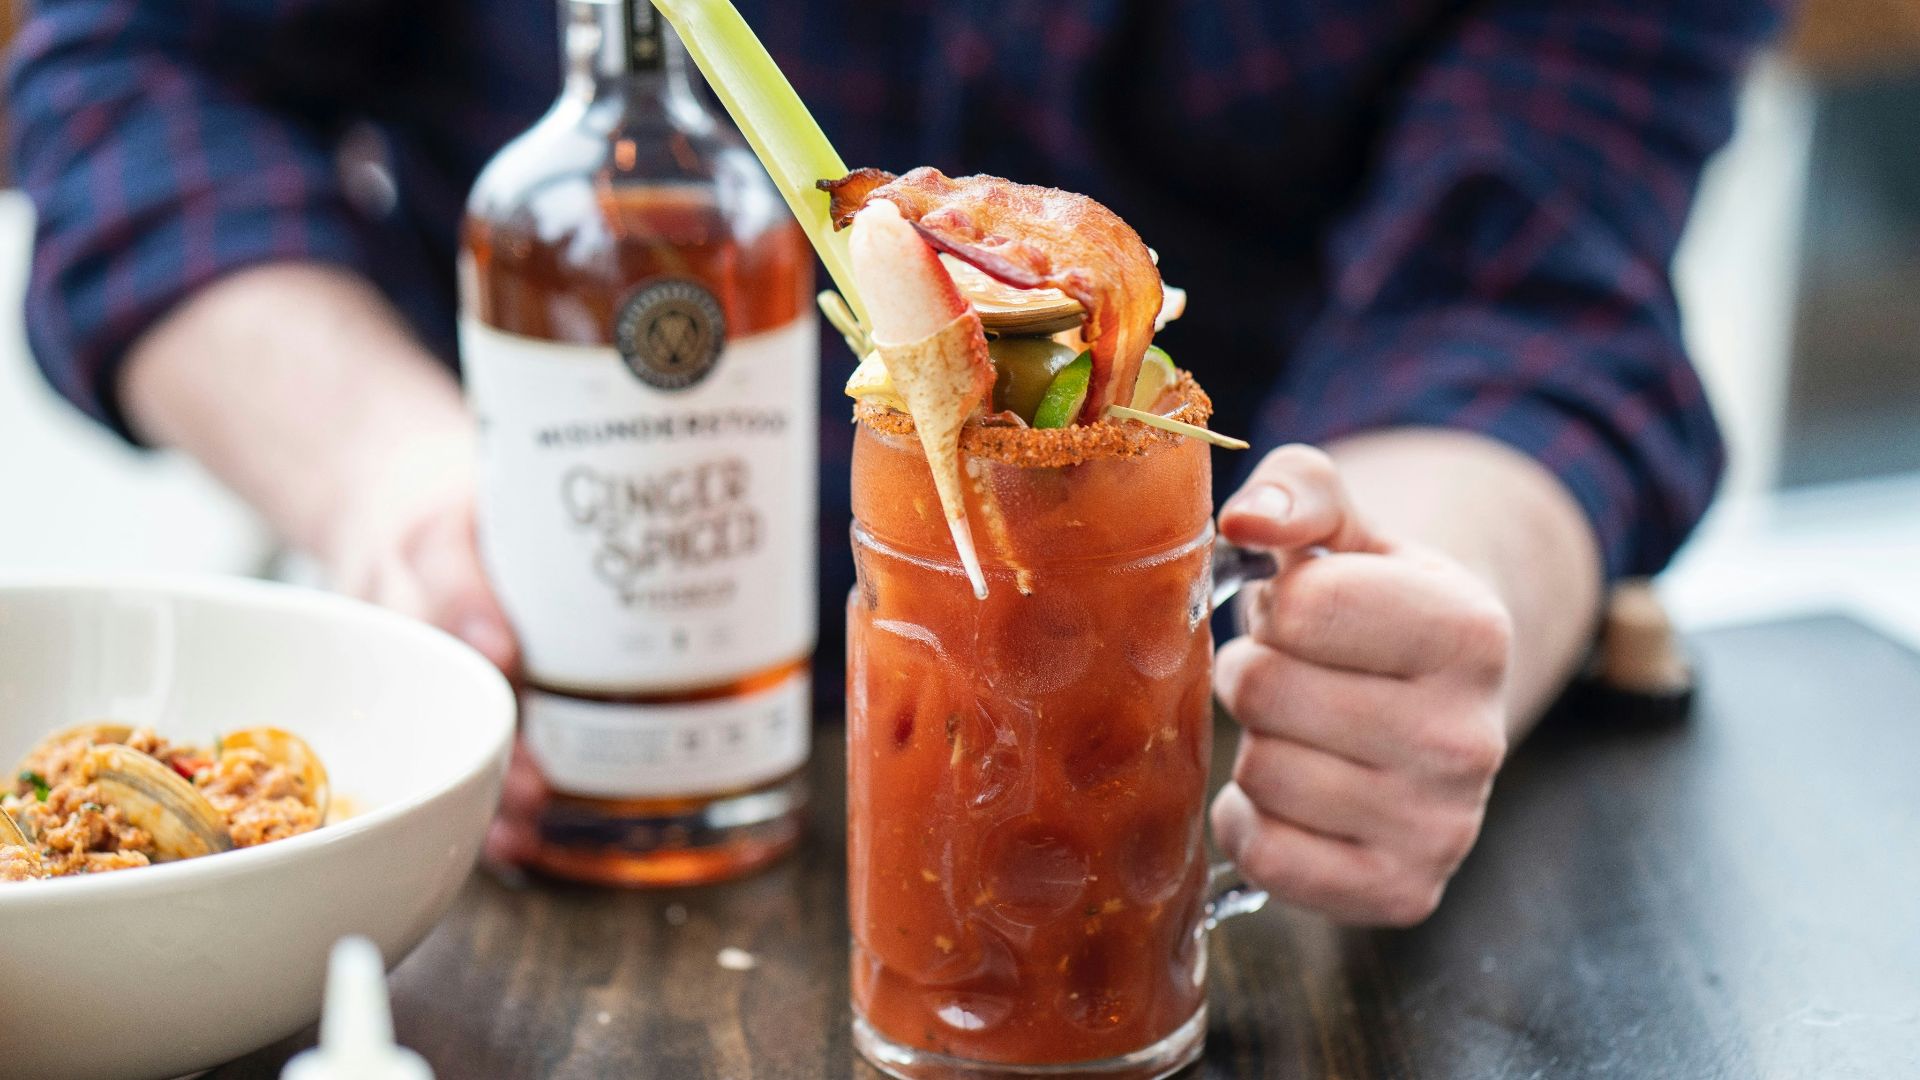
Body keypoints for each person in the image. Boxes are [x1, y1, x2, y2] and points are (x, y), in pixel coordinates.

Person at [7, 1, 1779, 925]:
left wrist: (1417, 587)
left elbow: (1538, 289)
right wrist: (397, 493)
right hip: (525, 766)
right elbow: (131, 80)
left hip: (1194, 769)